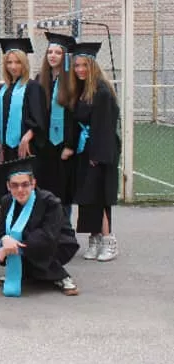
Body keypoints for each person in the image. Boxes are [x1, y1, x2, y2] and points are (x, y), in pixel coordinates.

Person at [0, 157, 80, 297]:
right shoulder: (7, 202)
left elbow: (48, 235)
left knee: (42, 243)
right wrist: (4, 240)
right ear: (8, 186)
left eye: (25, 184)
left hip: (56, 244)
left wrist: (15, 247)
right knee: (7, 241)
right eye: (14, 185)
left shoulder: (50, 202)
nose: (20, 190)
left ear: (33, 183)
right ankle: (23, 272)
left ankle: (60, 276)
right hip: (26, 243)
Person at [71, 42, 121, 262]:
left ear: (93, 66)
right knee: (87, 197)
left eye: (84, 65)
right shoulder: (84, 90)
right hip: (86, 150)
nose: (80, 69)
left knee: (99, 197)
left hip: (99, 151)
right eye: (77, 65)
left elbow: (104, 127)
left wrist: (96, 156)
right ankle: (95, 238)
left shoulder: (102, 92)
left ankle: (109, 240)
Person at [37, 32, 78, 215]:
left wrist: (70, 145)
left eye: (58, 52)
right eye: (50, 52)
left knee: (63, 192)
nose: (52, 56)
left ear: (65, 56)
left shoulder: (72, 81)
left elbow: (75, 116)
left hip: (64, 145)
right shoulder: (40, 79)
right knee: (44, 191)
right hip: (44, 145)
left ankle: (64, 229)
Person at [0, 38, 47, 164]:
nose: (13, 66)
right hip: (5, 148)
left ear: (24, 64)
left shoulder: (33, 87)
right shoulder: (2, 89)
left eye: (18, 62)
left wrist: (27, 137)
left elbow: (40, 118)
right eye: (9, 62)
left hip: (26, 146)